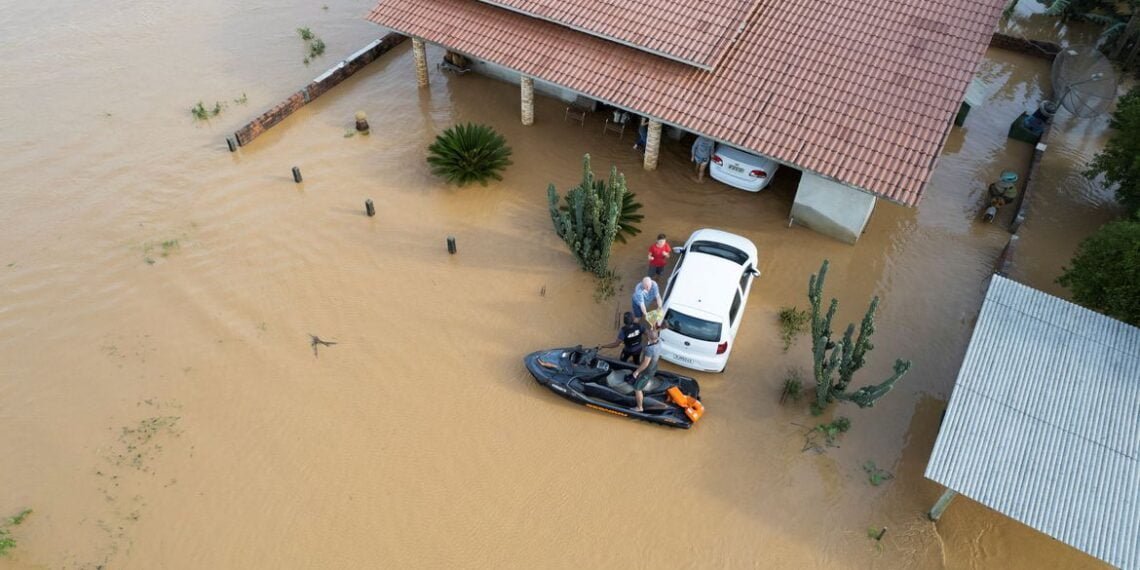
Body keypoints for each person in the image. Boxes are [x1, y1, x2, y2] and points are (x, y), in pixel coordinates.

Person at [629, 325, 662, 412]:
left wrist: (636, 372)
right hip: (654, 366)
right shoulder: (659, 342)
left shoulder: (650, 349)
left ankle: (639, 407)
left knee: (637, 388)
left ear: (648, 337)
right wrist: (652, 329)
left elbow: (645, 363)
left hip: (647, 371)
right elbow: (654, 332)